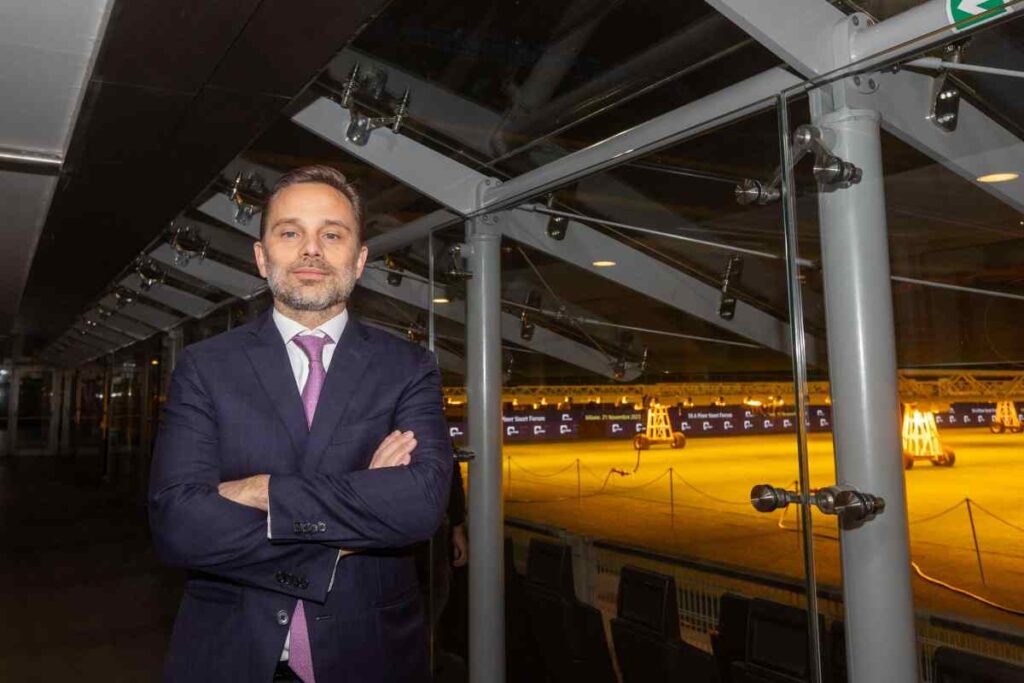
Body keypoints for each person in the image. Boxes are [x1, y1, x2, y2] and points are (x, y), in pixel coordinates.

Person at [149, 165, 452, 682]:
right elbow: (179, 525)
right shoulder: (205, 367)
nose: (311, 249)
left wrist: (259, 491)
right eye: (290, 233)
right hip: (232, 656)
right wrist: (357, 515)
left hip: (371, 657)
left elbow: (419, 505)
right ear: (261, 256)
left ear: (359, 260)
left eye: (332, 235)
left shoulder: (408, 366)